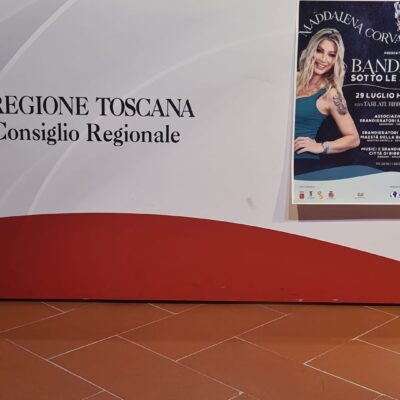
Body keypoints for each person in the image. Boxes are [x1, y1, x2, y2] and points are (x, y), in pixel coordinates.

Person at [294, 28, 360, 176]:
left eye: (331, 55)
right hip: (273, 156)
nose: (324, 59)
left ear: (336, 60)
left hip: (302, 164)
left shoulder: (331, 95)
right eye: (319, 51)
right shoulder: (290, 78)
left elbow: (353, 138)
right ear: (311, 50)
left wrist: (321, 146)